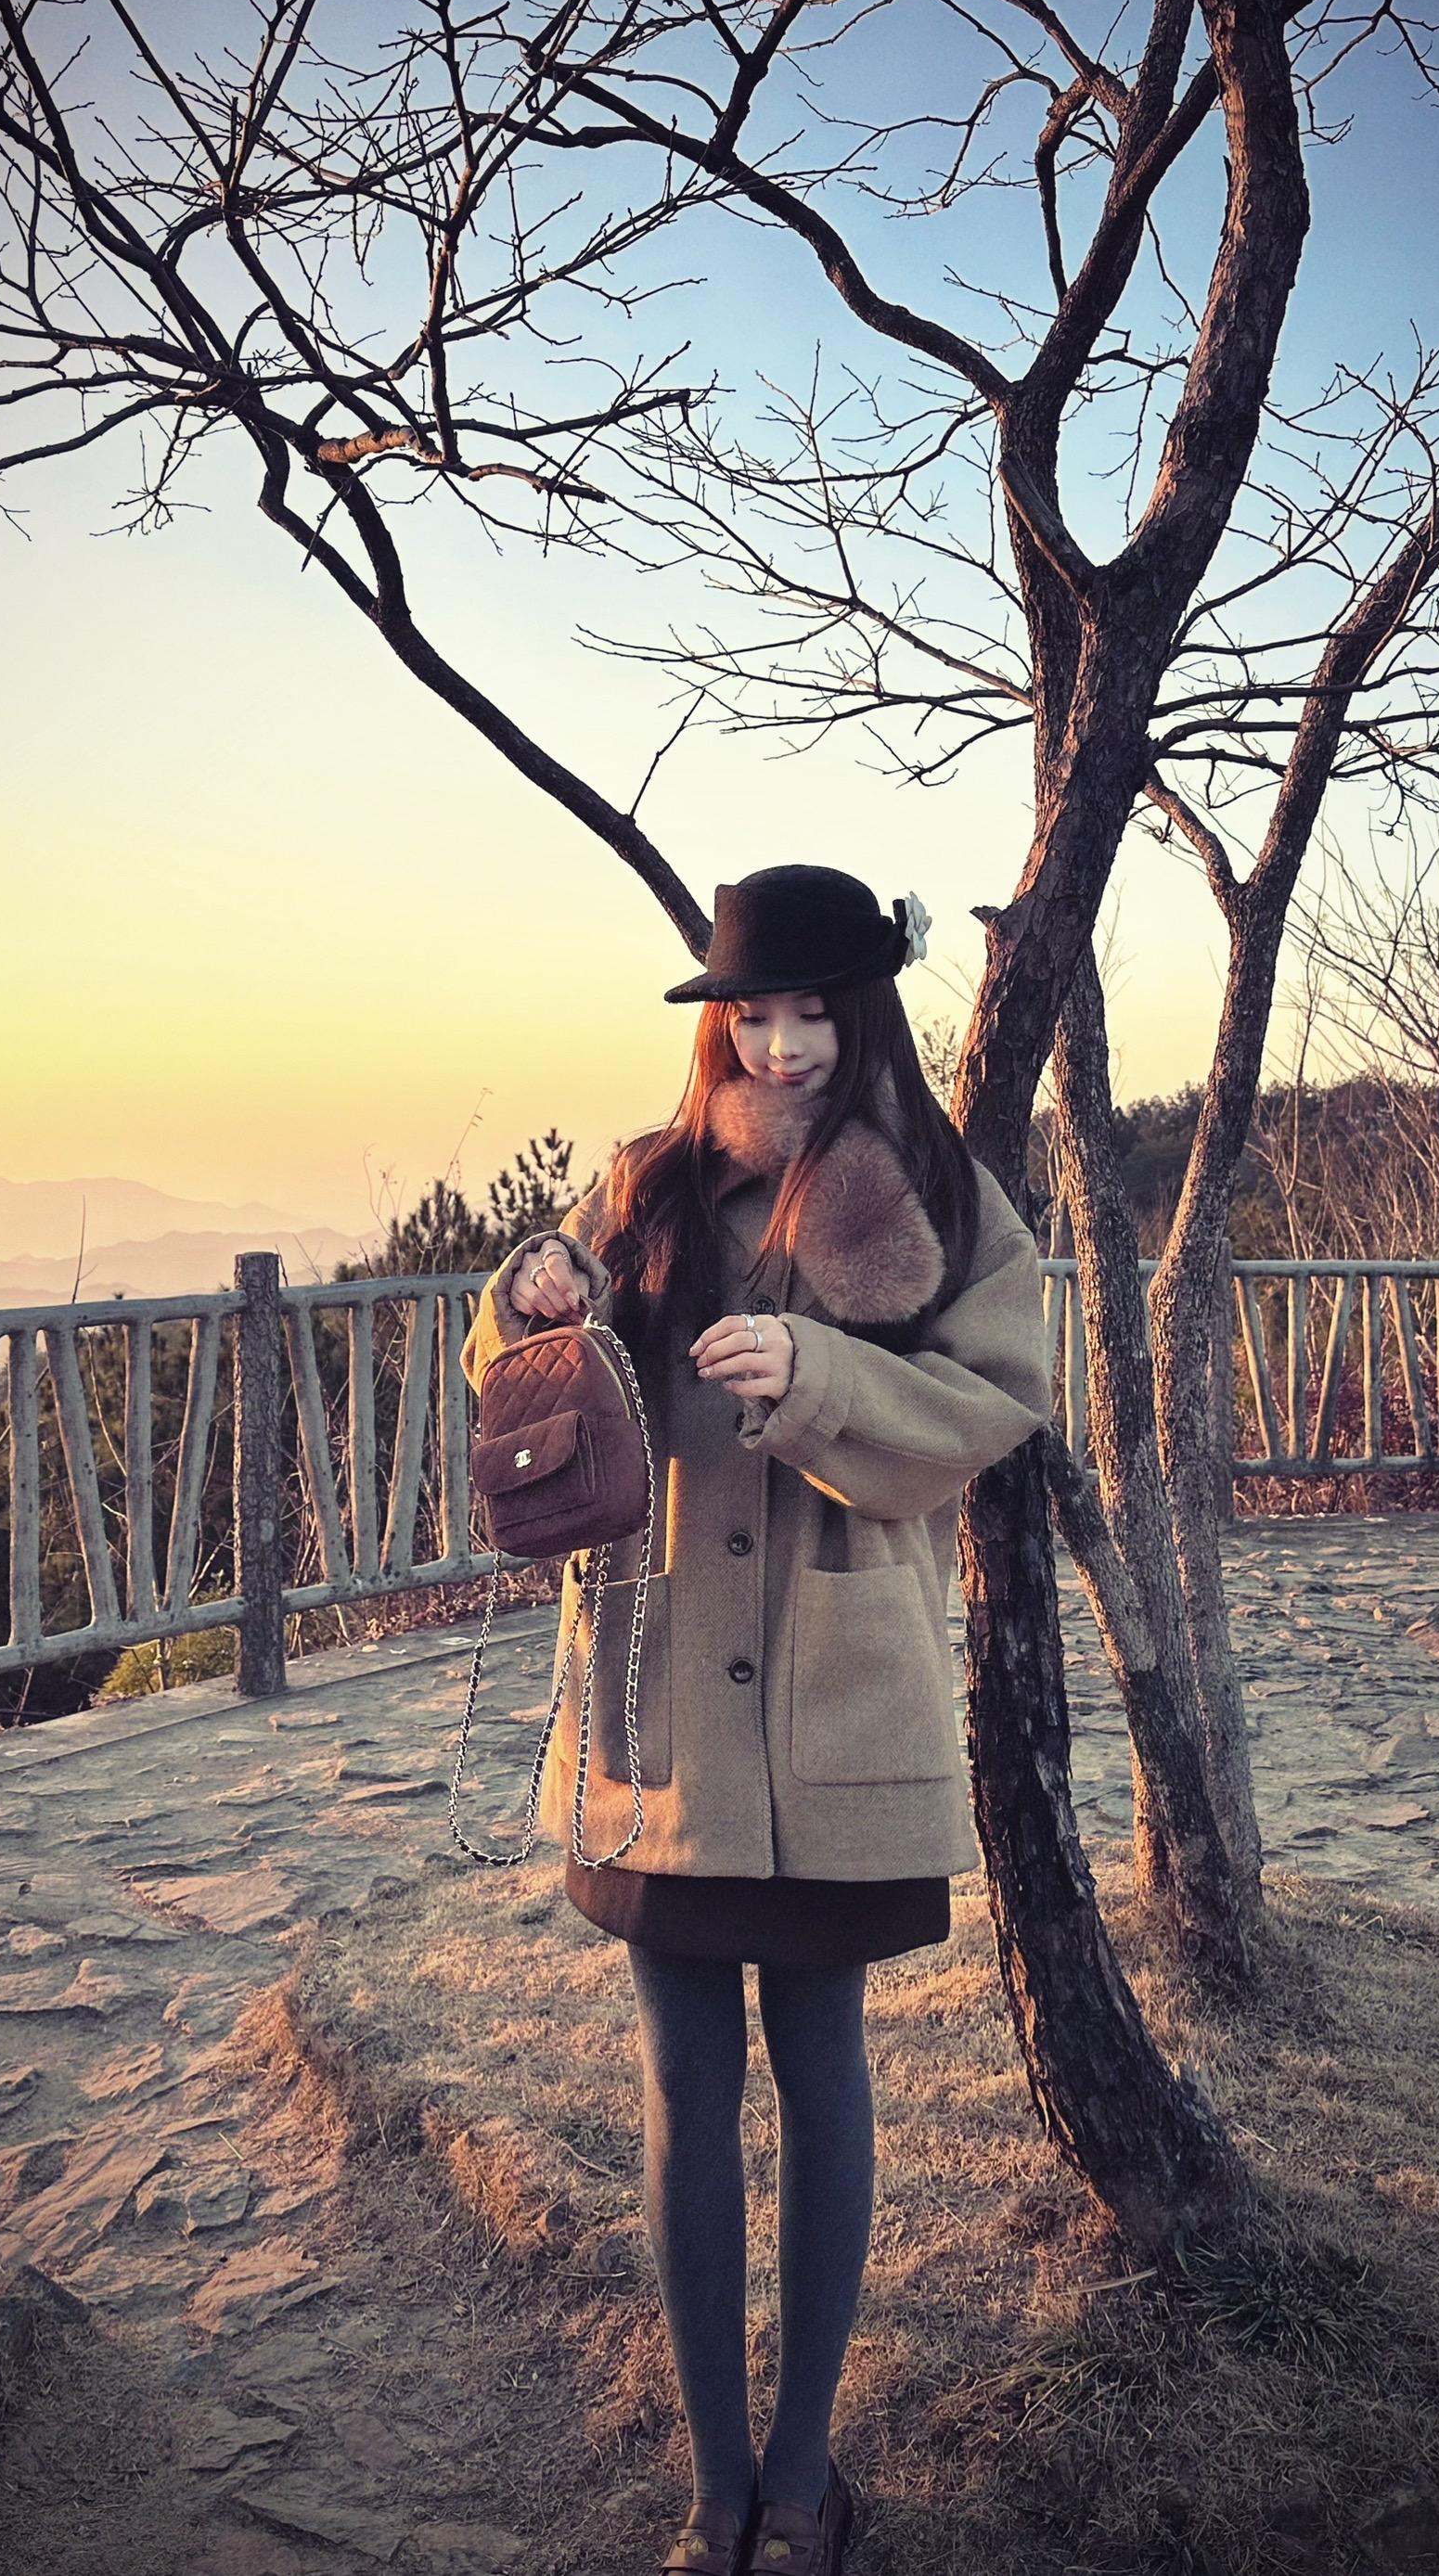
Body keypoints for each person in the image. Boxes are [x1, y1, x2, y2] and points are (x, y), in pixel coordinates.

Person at [460, 863, 1055, 2576]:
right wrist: (527, 1294)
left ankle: (804, 2476)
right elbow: (514, 1368)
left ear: (864, 1013)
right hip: (654, 1688)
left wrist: (824, 1376)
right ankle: (717, 2490)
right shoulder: (644, 1182)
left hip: (832, 1694)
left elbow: (1006, 1401)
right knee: (681, 2086)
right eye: (754, 1015)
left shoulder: (940, 1191)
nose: (783, 1046)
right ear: (716, 1023)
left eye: (814, 1013)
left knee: (822, 2067)